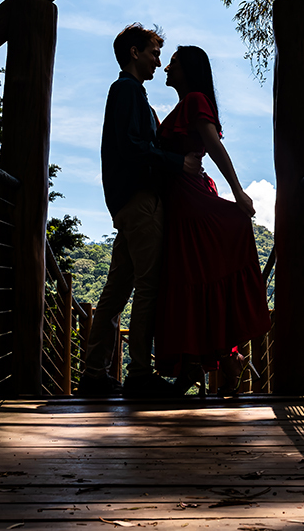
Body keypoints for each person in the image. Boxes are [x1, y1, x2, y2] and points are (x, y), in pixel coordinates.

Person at [77, 24, 201, 397]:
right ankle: (139, 374)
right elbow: (134, 147)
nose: (157, 61)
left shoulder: (130, 94)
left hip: (125, 204)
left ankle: (93, 375)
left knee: (115, 293)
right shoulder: (128, 91)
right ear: (134, 53)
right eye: (152, 53)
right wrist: (179, 164)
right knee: (148, 287)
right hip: (141, 201)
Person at [154, 45, 271, 396]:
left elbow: (214, 148)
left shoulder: (195, 102)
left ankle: (200, 368)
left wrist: (238, 192)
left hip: (191, 203)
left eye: (173, 62)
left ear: (188, 69)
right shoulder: (183, 105)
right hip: (182, 204)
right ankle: (223, 360)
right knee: (192, 277)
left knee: (191, 277)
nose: (166, 68)